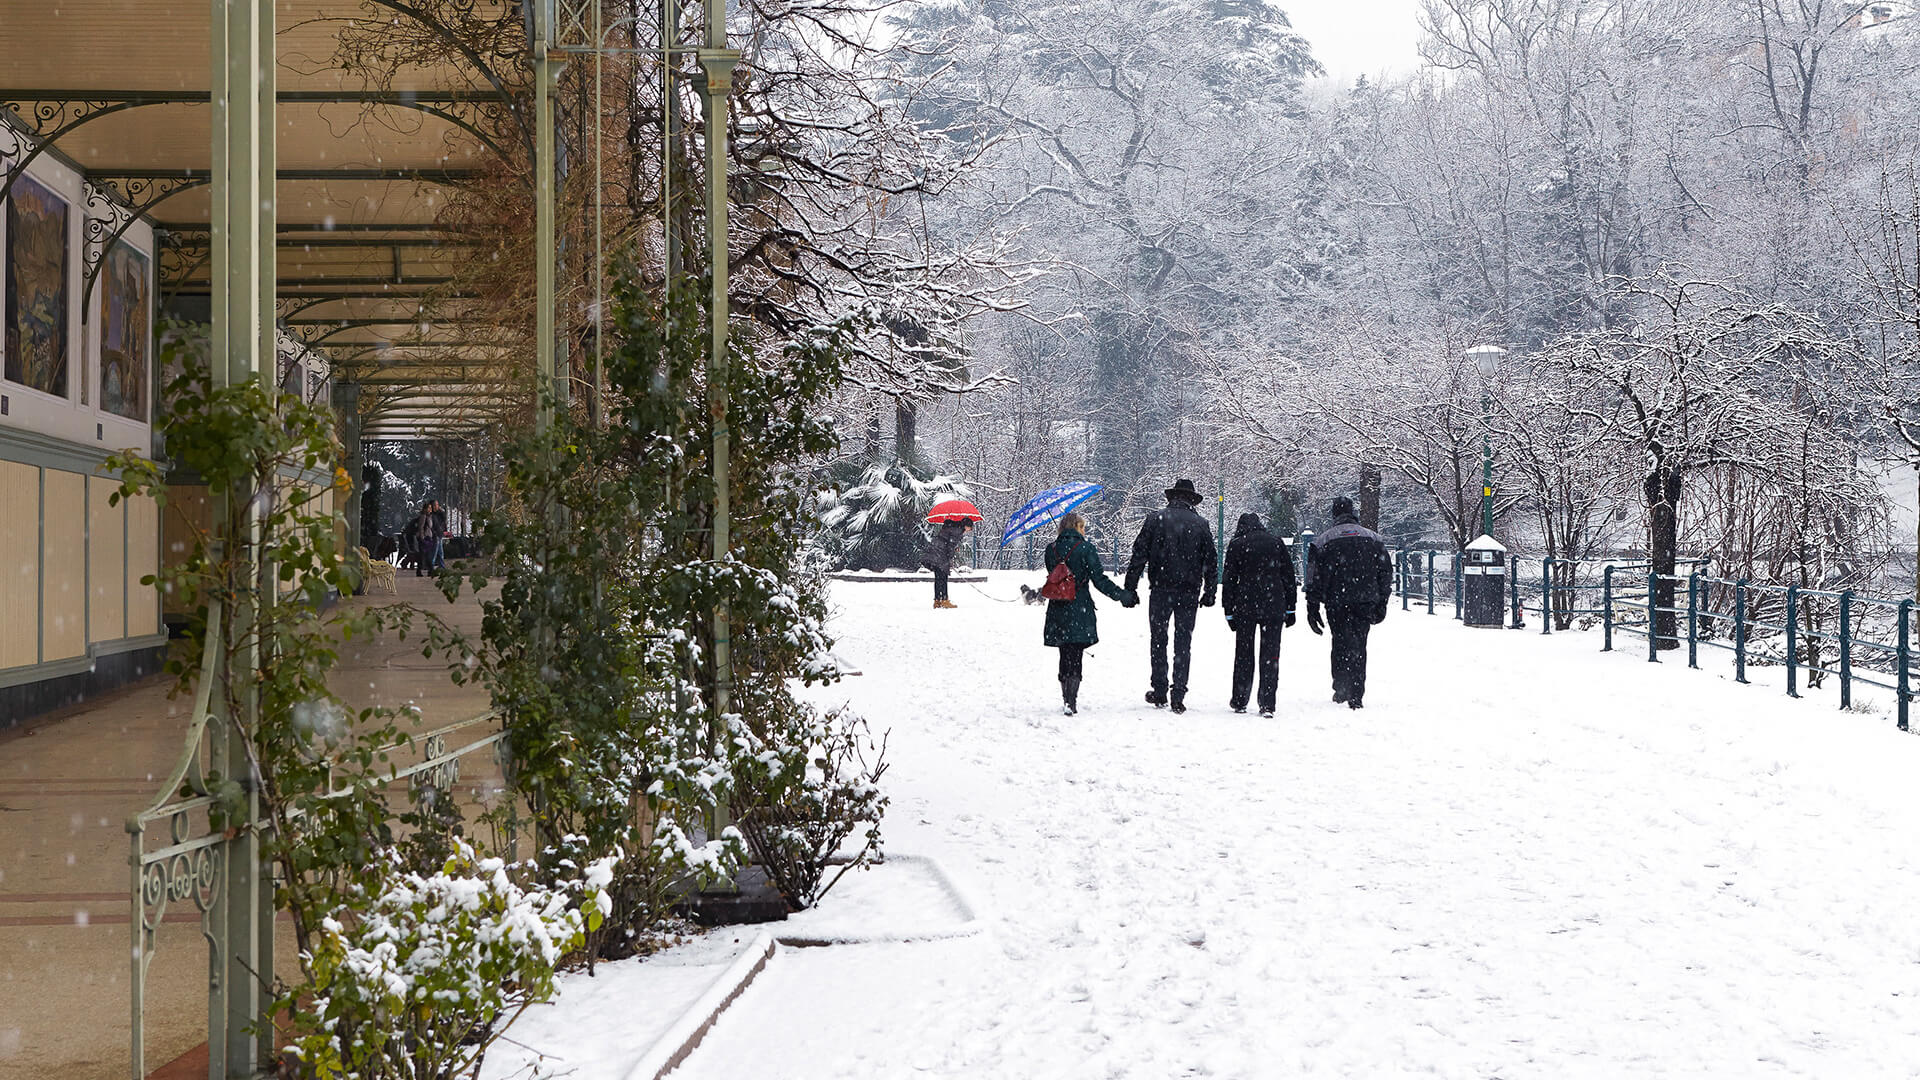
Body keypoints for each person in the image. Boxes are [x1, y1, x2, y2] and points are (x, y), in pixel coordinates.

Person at [1124, 478, 1219, 714]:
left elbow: (1139, 554)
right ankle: (1178, 693)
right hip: (1189, 590)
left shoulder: (1155, 519)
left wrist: (1130, 586)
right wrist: (1209, 591)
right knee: (1183, 642)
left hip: (1161, 588)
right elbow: (1211, 560)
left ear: (1172, 497)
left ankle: (1159, 689)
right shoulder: (1201, 524)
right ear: (1191, 499)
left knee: (1158, 638)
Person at [1303, 496, 1394, 709]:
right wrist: (1382, 600)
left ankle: (1341, 686)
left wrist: (1312, 605)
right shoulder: (1373, 538)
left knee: (1340, 641)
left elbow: (1313, 576)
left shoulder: (1324, 540)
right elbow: (1385, 572)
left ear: (1334, 514)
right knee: (1359, 644)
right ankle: (1357, 691)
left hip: (1337, 600)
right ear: (1353, 513)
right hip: (1365, 599)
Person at [1043, 512, 1137, 715]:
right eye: (1082, 527)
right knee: (1076, 654)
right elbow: (1099, 580)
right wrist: (1122, 596)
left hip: (1058, 606)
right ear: (1077, 527)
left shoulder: (1050, 549)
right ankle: (1072, 699)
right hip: (1079, 606)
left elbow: (1055, 574)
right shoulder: (1086, 549)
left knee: (1064, 652)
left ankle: (1066, 698)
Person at [1221, 512, 1297, 717]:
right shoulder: (1276, 542)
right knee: (1271, 654)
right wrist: (1291, 607)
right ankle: (1267, 703)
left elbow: (1229, 579)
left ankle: (1240, 699)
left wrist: (1228, 610)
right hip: (1274, 603)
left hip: (1245, 604)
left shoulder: (1237, 544)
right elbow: (1288, 576)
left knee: (1244, 653)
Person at [926, 517, 973, 609]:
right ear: (966, 526)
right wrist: (950, 557)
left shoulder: (949, 527)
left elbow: (946, 541)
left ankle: (937, 601)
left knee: (938, 578)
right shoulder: (957, 530)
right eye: (969, 528)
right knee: (943, 578)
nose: (968, 531)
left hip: (934, 553)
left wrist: (953, 549)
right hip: (941, 555)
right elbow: (950, 545)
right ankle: (944, 600)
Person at [414, 500, 447, 577]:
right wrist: (422, 538)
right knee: (428, 555)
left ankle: (431, 570)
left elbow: (441, 520)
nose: (430, 509)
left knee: (434, 554)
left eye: (430, 508)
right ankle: (428, 570)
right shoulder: (424, 516)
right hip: (427, 538)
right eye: (429, 507)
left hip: (431, 537)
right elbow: (421, 527)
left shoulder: (431, 516)